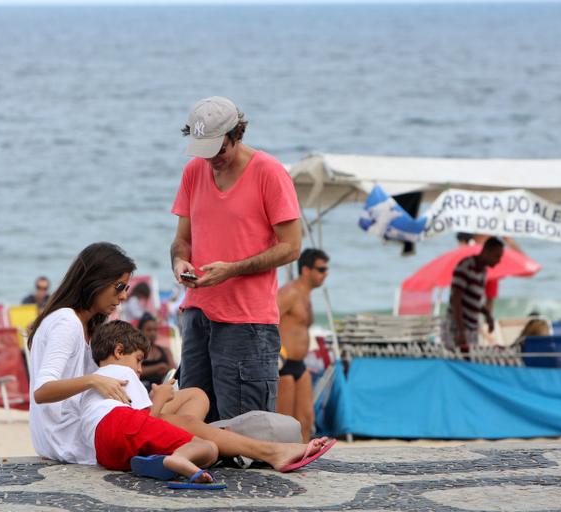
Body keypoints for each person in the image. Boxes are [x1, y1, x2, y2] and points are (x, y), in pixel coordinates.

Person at [28, 242, 335, 471]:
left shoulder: (86, 324)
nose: (123, 296)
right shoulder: (66, 321)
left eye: (127, 288)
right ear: (93, 281)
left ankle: (193, 441)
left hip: (89, 421)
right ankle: (268, 451)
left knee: (193, 396)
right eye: (119, 287)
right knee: (180, 419)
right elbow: (43, 392)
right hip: (73, 435)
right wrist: (94, 380)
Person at [170, 96, 302, 422]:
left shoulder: (269, 172)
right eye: (204, 150)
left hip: (247, 321)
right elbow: (182, 239)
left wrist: (233, 270)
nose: (212, 158)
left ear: (236, 134)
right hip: (197, 313)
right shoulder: (193, 172)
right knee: (193, 422)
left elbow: (291, 247)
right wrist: (179, 262)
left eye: (219, 149)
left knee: (246, 429)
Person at [83, 319, 220, 484]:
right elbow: (147, 419)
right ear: (118, 351)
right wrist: (160, 398)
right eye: (138, 360)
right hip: (121, 422)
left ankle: (163, 459)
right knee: (209, 448)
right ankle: (179, 458)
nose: (140, 369)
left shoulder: (92, 382)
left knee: (151, 445)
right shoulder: (124, 372)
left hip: (104, 451)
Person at [276, 248, 329, 442]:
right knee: (285, 423)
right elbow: (268, 321)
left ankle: (303, 459)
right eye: (321, 269)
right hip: (284, 364)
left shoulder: (306, 295)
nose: (326, 274)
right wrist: (275, 354)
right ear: (306, 270)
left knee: (306, 420)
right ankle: (283, 459)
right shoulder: (289, 292)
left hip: (300, 364)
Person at [444, 237, 504, 351]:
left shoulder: (483, 271)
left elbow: (472, 300)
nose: (498, 261)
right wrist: (460, 331)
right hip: (458, 327)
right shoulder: (466, 266)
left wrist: (487, 314)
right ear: (486, 251)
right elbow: (456, 299)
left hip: (471, 328)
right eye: (497, 256)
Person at [138, 312, 176, 390]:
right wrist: (158, 367)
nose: (152, 333)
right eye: (149, 330)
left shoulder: (165, 350)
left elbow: (174, 371)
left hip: (164, 389)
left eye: (155, 330)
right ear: (140, 331)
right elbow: (135, 372)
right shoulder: (136, 351)